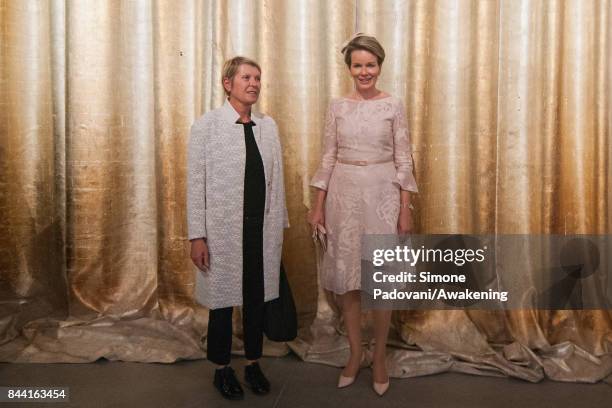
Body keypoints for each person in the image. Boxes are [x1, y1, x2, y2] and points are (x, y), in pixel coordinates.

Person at [308, 34, 418, 396]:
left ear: (380, 66)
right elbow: (328, 157)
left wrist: (404, 208)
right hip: (344, 196)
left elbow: (404, 159)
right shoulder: (337, 106)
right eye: (358, 65)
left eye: (370, 64)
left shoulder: (393, 105)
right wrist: (318, 205)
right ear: (349, 69)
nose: (364, 71)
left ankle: (381, 357)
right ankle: (355, 355)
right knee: (351, 281)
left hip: (383, 195)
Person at [187, 56, 288, 400]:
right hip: (222, 231)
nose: (255, 83)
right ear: (228, 84)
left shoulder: (267, 125)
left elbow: (278, 182)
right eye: (247, 77)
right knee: (222, 302)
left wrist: (279, 226)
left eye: (258, 78)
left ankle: (253, 363)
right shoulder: (207, 126)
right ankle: (221, 368)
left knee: (256, 299)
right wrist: (196, 235)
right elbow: (195, 184)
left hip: (261, 230)